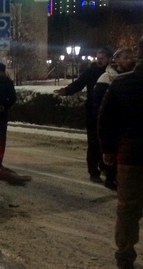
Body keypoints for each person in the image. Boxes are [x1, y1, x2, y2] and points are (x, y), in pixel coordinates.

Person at [98, 35, 143, 269]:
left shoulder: (122, 83)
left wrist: (108, 150)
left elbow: (105, 120)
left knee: (128, 207)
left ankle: (125, 255)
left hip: (130, 156)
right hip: (130, 154)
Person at [54, 47, 113, 181]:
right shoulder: (91, 72)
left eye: (102, 58)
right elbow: (79, 84)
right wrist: (67, 90)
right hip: (93, 112)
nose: (99, 61)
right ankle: (93, 171)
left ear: (109, 59)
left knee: (107, 142)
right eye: (98, 58)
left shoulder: (113, 73)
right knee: (93, 143)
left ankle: (106, 167)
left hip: (110, 113)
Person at [92, 48, 136, 191]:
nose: (129, 61)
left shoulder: (134, 78)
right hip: (114, 124)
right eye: (125, 58)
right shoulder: (106, 78)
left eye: (131, 57)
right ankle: (111, 177)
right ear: (116, 60)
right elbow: (100, 106)